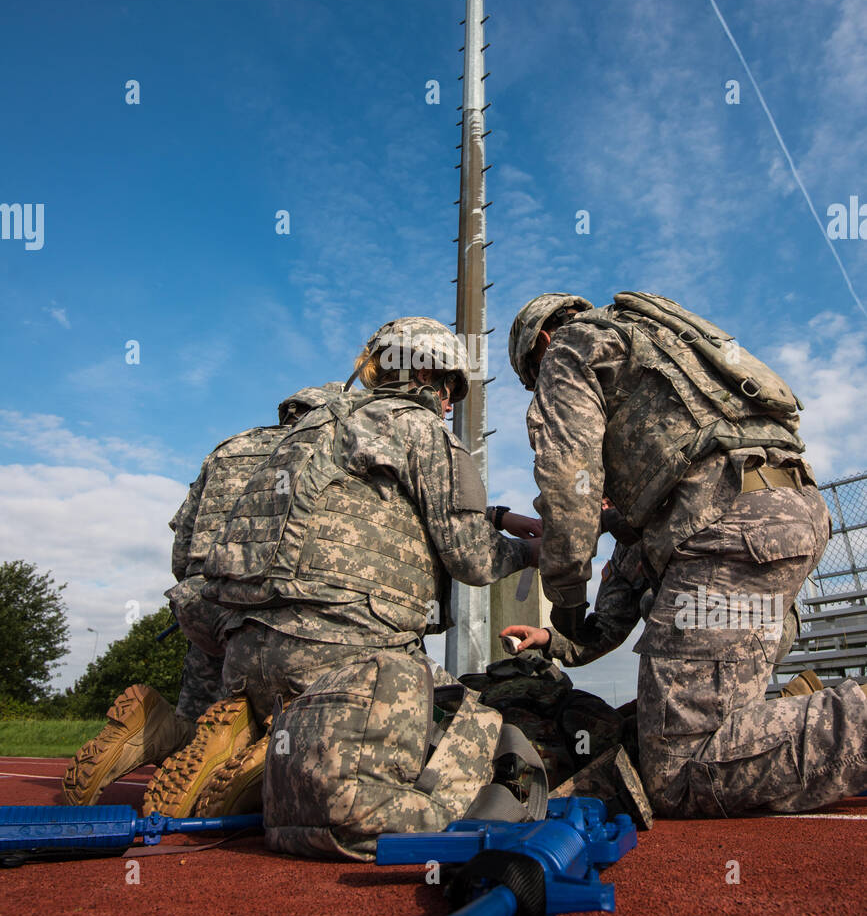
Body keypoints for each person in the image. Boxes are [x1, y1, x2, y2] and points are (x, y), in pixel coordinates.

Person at [149, 318, 541, 818]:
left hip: (242, 656)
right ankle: (273, 766)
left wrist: (497, 517)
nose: (449, 405)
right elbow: (474, 558)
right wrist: (531, 553)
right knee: (484, 741)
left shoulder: (307, 429)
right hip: (341, 659)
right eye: (449, 388)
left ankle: (249, 738)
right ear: (425, 372)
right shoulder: (422, 430)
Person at [503, 290, 867, 817]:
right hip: (786, 515)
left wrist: (563, 595)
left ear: (540, 341)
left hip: (727, 530)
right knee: (675, 727)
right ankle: (784, 715)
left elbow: (567, 482)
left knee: (678, 768)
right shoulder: (660, 342)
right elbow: (611, 616)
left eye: (532, 377)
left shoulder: (569, 347)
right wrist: (556, 638)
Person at [62, 387, 343, 807]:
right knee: (303, 721)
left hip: (202, 602)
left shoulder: (229, 448)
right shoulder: (328, 447)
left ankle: (155, 729)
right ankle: (249, 760)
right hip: (273, 611)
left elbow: (183, 548)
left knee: (198, 724)